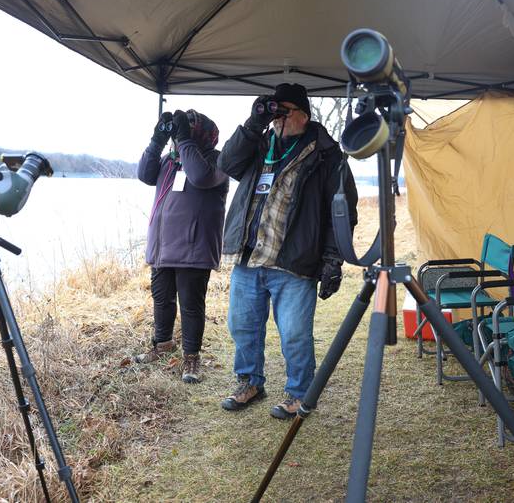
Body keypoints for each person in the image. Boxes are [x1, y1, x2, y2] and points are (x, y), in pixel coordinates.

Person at [217, 83, 358, 419]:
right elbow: (226, 163)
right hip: (250, 257)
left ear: (304, 116)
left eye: (285, 111)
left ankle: (299, 393)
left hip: (294, 261)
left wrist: (332, 260)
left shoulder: (326, 154)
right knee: (242, 325)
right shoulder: (260, 143)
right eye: (274, 111)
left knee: (294, 332)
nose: (278, 118)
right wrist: (253, 124)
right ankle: (249, 382)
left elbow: (343, 212)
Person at [135, 109, 229, 384]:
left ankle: (191, 357)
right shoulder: (170, 161)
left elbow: (199, 177)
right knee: (162, 299)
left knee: (190, 305)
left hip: (193, 249)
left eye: (186, 131)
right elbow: (144, 174)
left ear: (200, 134)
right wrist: (157, 140)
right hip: (163, 247)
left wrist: (185, 139)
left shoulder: (217, 161)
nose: (178, 137)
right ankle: (162, 344)